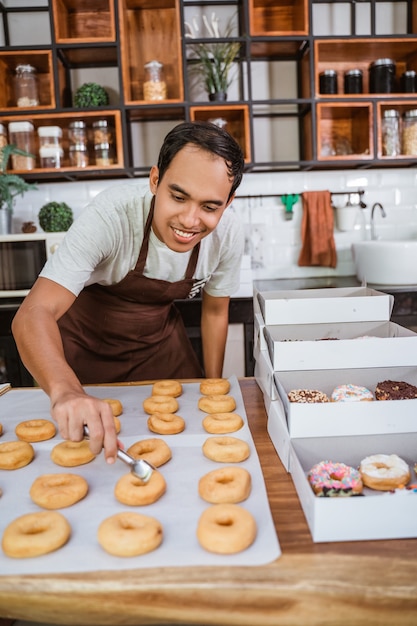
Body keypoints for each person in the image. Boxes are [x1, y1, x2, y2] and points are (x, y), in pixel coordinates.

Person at [12, 121, 245, 464]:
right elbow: (33, 314)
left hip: (159, 346)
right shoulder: (112, 216)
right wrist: (66, 391)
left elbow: (214, 312)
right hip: (85, 346)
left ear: (228, 202)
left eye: (210, 207)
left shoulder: (228, 233)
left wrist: (211, 388)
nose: (190, 220)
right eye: (178, 197)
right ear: (155, 180)